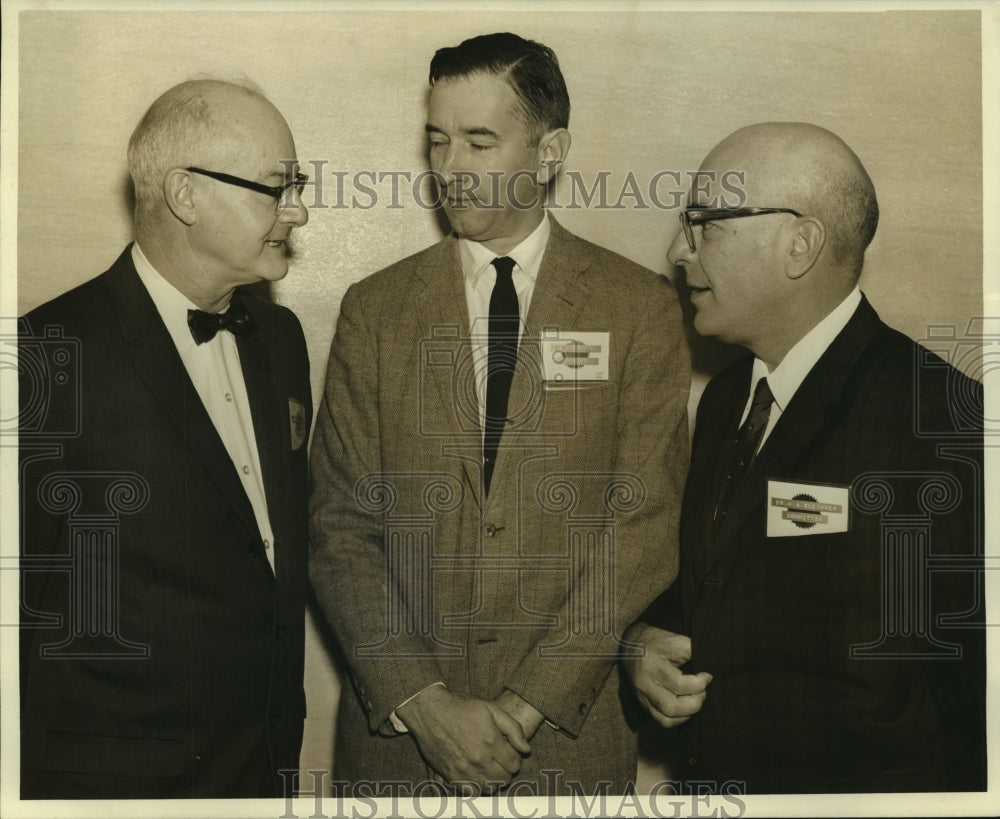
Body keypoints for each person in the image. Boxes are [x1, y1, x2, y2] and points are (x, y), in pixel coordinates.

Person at [309, 32, 689, 795]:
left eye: (480, 142)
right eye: (437, 141)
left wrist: (526, 702)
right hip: (401, 751)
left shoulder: (639, 309)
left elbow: (640, 529)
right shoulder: (374, 310)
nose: (448, 170)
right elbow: (339, 526)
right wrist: (424, 702)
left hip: (563, 747)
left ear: (550, 152)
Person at [624, 122, 985, 793]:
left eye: (706, 223)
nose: (679, 249)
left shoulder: (939, 417)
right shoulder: (728, 395)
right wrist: (641, 644)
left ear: (799, 244)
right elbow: (713, 587)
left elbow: (975, 701)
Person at [18, 79, 312, 798]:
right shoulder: (48, 354)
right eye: (277, 188)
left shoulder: (280, 337)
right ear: (185, 194)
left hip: (262, 768)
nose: (298, 210)